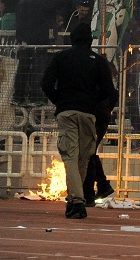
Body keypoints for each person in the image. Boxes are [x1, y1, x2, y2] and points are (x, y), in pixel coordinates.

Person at [40, 23, 118, 219]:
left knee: (70, 156)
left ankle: (76, 201)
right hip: (88, 114)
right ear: (90, 40)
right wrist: (94, 103)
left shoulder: (61, 57)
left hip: (67, 112)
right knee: (83, 158)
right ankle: (78, 199)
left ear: (72, 39)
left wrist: (59, 100)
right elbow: (109, 91)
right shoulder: (99, 61)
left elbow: (46, 83)